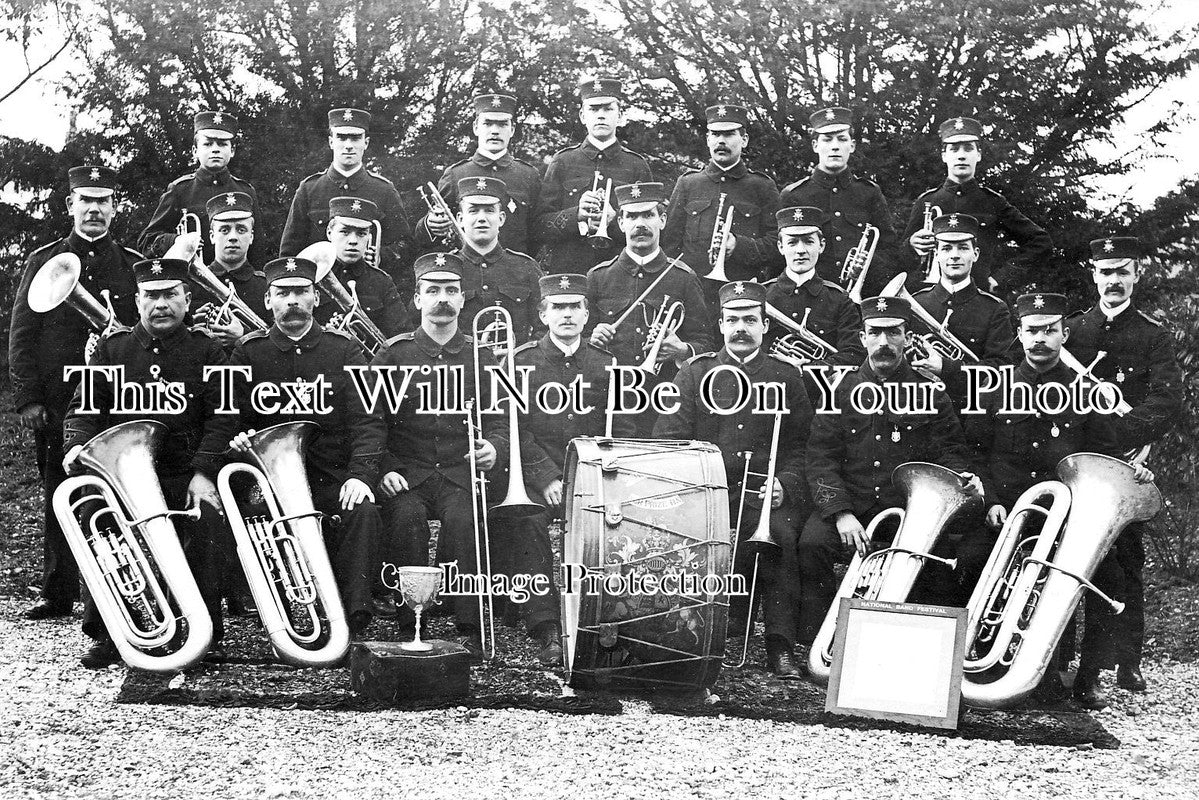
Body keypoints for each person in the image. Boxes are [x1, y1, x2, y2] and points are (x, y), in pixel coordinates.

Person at [965, 292, 1154, 709]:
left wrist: (1134, 471)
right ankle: (987, 662)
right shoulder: (995, 391)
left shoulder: (1088, 394)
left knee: (1108, 579)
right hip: (1016, 513)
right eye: (1032, 330)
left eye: (1050, 330)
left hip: (1071, 515)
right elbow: (978, 452)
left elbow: (1105, 457)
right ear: (1019, 334)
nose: (1040, 339)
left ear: (1064, 334)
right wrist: (993, 500)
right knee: (969, 559)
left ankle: (1089, 676)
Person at [194, 256, 388, 637]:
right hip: (269, 481)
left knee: (362, 510)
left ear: (316, 298)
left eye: (301, 292)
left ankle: (356, 619)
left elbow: (369, 419)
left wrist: (361, 476)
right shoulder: (247, 353)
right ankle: (278, 618)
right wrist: (235, 447)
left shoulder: (346, 351)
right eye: (283, 293)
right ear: (268, 301)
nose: (293, 301)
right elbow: (228, 417)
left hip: (332, 475)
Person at [61, 257, 227, 667]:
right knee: (101, 525)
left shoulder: (209, 350)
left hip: (183, 471)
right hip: (124, 477)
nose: (161, 304)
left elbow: (225, 417)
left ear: (187, 300)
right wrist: (75, 444)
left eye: (170, 294)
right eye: (151, 296)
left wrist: (204, 472)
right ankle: (110, 631)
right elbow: (84, 408)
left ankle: (206, 629)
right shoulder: (112, 349)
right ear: (137, 301)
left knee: (207, 518)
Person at [798, 294, 979, 654]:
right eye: (875, 333)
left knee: (937, 559)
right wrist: (841, 513)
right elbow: (820, 457)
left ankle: (917, 651)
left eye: (893, 333)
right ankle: (819, 644)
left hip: (910, 512)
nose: (883, 342)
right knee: (812, 544)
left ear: (908, 338)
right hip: (854, 507)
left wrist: (963, 477)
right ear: (862, 338)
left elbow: (952, 450)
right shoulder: (840, 389)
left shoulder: (930, 390)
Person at [654, 280, 814, 677]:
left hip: (764, 493)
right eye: (732, 320)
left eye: (750, 320)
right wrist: (698, 485)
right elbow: (669, 438)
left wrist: (786, 483)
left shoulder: (787, 375)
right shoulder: (695, 373)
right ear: (721, 325)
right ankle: (697, 637)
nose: (740, 327)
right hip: (707, 491)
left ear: (764, 326)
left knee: (782, 538)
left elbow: (804, 445)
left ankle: (780, 646)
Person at [9, 165, 140, 620]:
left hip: (118, 395)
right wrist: (27, 397)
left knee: (117, 494)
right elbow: (22, 332)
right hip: (62, 396)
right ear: (71, 206)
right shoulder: (45, 259)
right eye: (86, 200)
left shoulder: (130, 261)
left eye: (103, 201)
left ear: (114, 208)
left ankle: (110, 599)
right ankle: (57, 591)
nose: (94, 209)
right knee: (58, 491)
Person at [370, 252, 509, 658]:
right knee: (407, 517)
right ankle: (408, 620)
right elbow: (371, 423)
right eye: (432, 291)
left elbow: (501, 421)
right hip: (407, 472)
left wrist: (494, 449)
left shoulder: (485, 357)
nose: (442, 299)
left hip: (458, 473)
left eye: (451, 290)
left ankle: (468, 623)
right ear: (417, 300)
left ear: (463, 299)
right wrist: (385, 468)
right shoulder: (393, 355)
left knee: (465, 520)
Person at [1064, 237, 1182, 694]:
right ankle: (1071, 665)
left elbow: (1167, 399)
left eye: (1122, 271)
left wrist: (1131, 440)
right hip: (1077, 459)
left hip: (1127, 462)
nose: (1113, 280)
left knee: (1126, 563)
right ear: (1093, 274)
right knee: (1074, 560)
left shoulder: (1153, 333)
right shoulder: (1073, 329)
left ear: (1136, 275)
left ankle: (1126, 661)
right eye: (1105, 271)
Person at [504, 274, 631, 663]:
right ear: (543, 314)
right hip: (537, 481)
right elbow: (511, 428)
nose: (567, 314)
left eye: (575, 306)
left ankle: (603, 621)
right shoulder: (519, 361)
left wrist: (592, 475)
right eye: (558, 307)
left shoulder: (606, 364)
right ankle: (546, 628)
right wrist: (546, 477)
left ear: (587, 313)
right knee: (528, 521)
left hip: (593, 478)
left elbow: (622, 427)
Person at [586, 182, 713, 437]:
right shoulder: (598, 277)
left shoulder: (684, 278)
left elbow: (707, 343)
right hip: (611, 400)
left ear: (663, 220)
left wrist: (682, 350)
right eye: (631, 216)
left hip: (663, 401)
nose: (640, 223)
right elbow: (576, 342)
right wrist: (592, 339)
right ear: (620, 223)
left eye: (648, 215)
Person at [902, 117, 1051, 294]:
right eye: (954, 149)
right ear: (944, 156)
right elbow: (899, 259)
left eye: (968, 148)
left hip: (979, 299)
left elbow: (1040, 242)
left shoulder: (992, 202)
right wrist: (911, 245)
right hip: (929, 299)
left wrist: (1001, 280)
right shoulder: (926, 202)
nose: (961, 155)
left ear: (978, 154)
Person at [662, 103, 781, 316]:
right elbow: (670, 245)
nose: (721, 141)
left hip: (743, 299)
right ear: (708, 140)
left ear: (744, 140)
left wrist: (740, 246)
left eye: (729, 134)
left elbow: (778, 246)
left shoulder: (761, 186)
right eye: (715, 134)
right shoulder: (689, 184)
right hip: (695, 300)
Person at [279, 108, 413, 289]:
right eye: (341, 137)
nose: (348, 145)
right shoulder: (310, 189)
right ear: (331, 142)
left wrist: (382, 256)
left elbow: (405, 245)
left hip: (371, 293)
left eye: (355, 138)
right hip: (319, 293)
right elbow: (290, 251)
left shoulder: (384, 191)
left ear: (366, 143)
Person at [536, 76, 653, 274]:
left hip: (620, 274)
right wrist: (578, 216)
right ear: (582, 116)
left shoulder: (636, 166)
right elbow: (540, 226)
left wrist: (616, 221)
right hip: (570, 272)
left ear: (620, 115)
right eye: (593, 109)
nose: (601, 115)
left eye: (608, 109)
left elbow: (650, 230)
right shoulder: (563, 162)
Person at [778, 107, 898, 294]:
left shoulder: (868, 192)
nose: (835, 146)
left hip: (864, 293)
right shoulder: (794, 195)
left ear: (852, 145)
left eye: (842, 139)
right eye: (827, 139)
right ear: (815, 145)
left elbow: (889, 248)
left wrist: (868, 264)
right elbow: (781, 255)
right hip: (813, 297)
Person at [909, 212, 1015, 410]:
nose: (955, 255)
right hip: (922, 409)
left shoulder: (994, 308)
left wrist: (946, 368)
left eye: (963, 248)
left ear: (975, 255)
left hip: (971, 410)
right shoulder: (917, 302)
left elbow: (1001, 367)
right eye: (947, 248)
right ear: (937, 254)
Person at [416, 93, 542, 257]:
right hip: (467, 273)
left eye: (502, 124)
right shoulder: (456, 174)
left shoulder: (528, 175)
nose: (495, 131)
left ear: (512, 129)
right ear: (476, 127)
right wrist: (431, 223)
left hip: (516, 276)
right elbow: (424, 237)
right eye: (488, 123)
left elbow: (539, 231)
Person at [138, 111, 262, 264]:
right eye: (208, 144)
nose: (215, 149)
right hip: (192, 284)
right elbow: (146, 241)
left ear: (233, 150)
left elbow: (258, 248)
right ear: (195, 151)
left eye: (222, 144)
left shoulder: (245, 191)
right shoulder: (180, 190)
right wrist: (178, 240)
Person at [762, 206, 864, 370]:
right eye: (792, 242)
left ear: (821, 246)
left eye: (809, 242)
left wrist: (809, 368)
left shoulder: (840, 299)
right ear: (781, 247)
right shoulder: (762, 295)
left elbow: (853, 354)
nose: (801, 250)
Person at [447, 176, 544, 344]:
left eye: (489, 210)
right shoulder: (447, 269)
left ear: (501, 218)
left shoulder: (526, 267)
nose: (482, 218)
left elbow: (544, 328)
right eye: (473, 210)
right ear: (461, 219)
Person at [313, 196, 407, 340]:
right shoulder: (310, 277)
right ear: (329, 233)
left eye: (361, 234)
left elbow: (401, 337)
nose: (353, 241)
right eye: (344, 232)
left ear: (369, 237)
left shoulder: (382, 282)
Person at [185, 191, 270, 349]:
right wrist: (194, 328)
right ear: (211, 236)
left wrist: (243, 337)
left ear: (251, 237)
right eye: (224, 230)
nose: (232, 237)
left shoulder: (266, 286)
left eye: (241, 230)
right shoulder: (189, 286)